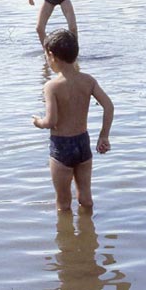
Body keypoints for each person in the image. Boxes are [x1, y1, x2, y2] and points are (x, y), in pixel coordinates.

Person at [32, 29, 114, 211]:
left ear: (51, 56)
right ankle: (89, 233)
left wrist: (38, 122)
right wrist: (104, 136)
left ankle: (69, 237)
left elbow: (51, 121)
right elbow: (108, 106)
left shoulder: (51, 86)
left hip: (62, 147)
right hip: (83, 143)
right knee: (85, 197)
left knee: (63, 202)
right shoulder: (88, 80)